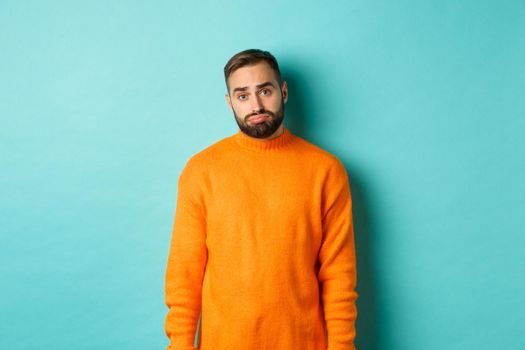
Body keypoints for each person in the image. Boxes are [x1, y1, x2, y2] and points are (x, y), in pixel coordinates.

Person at [164, 49, 358, 349]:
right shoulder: (201, 171)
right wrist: (179, 345)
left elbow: (339, 276)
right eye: (242, 96)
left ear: (283, 92)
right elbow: (184, 274)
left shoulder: (325, 171)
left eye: (264, 91)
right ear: (230, 103)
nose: (255, 105)